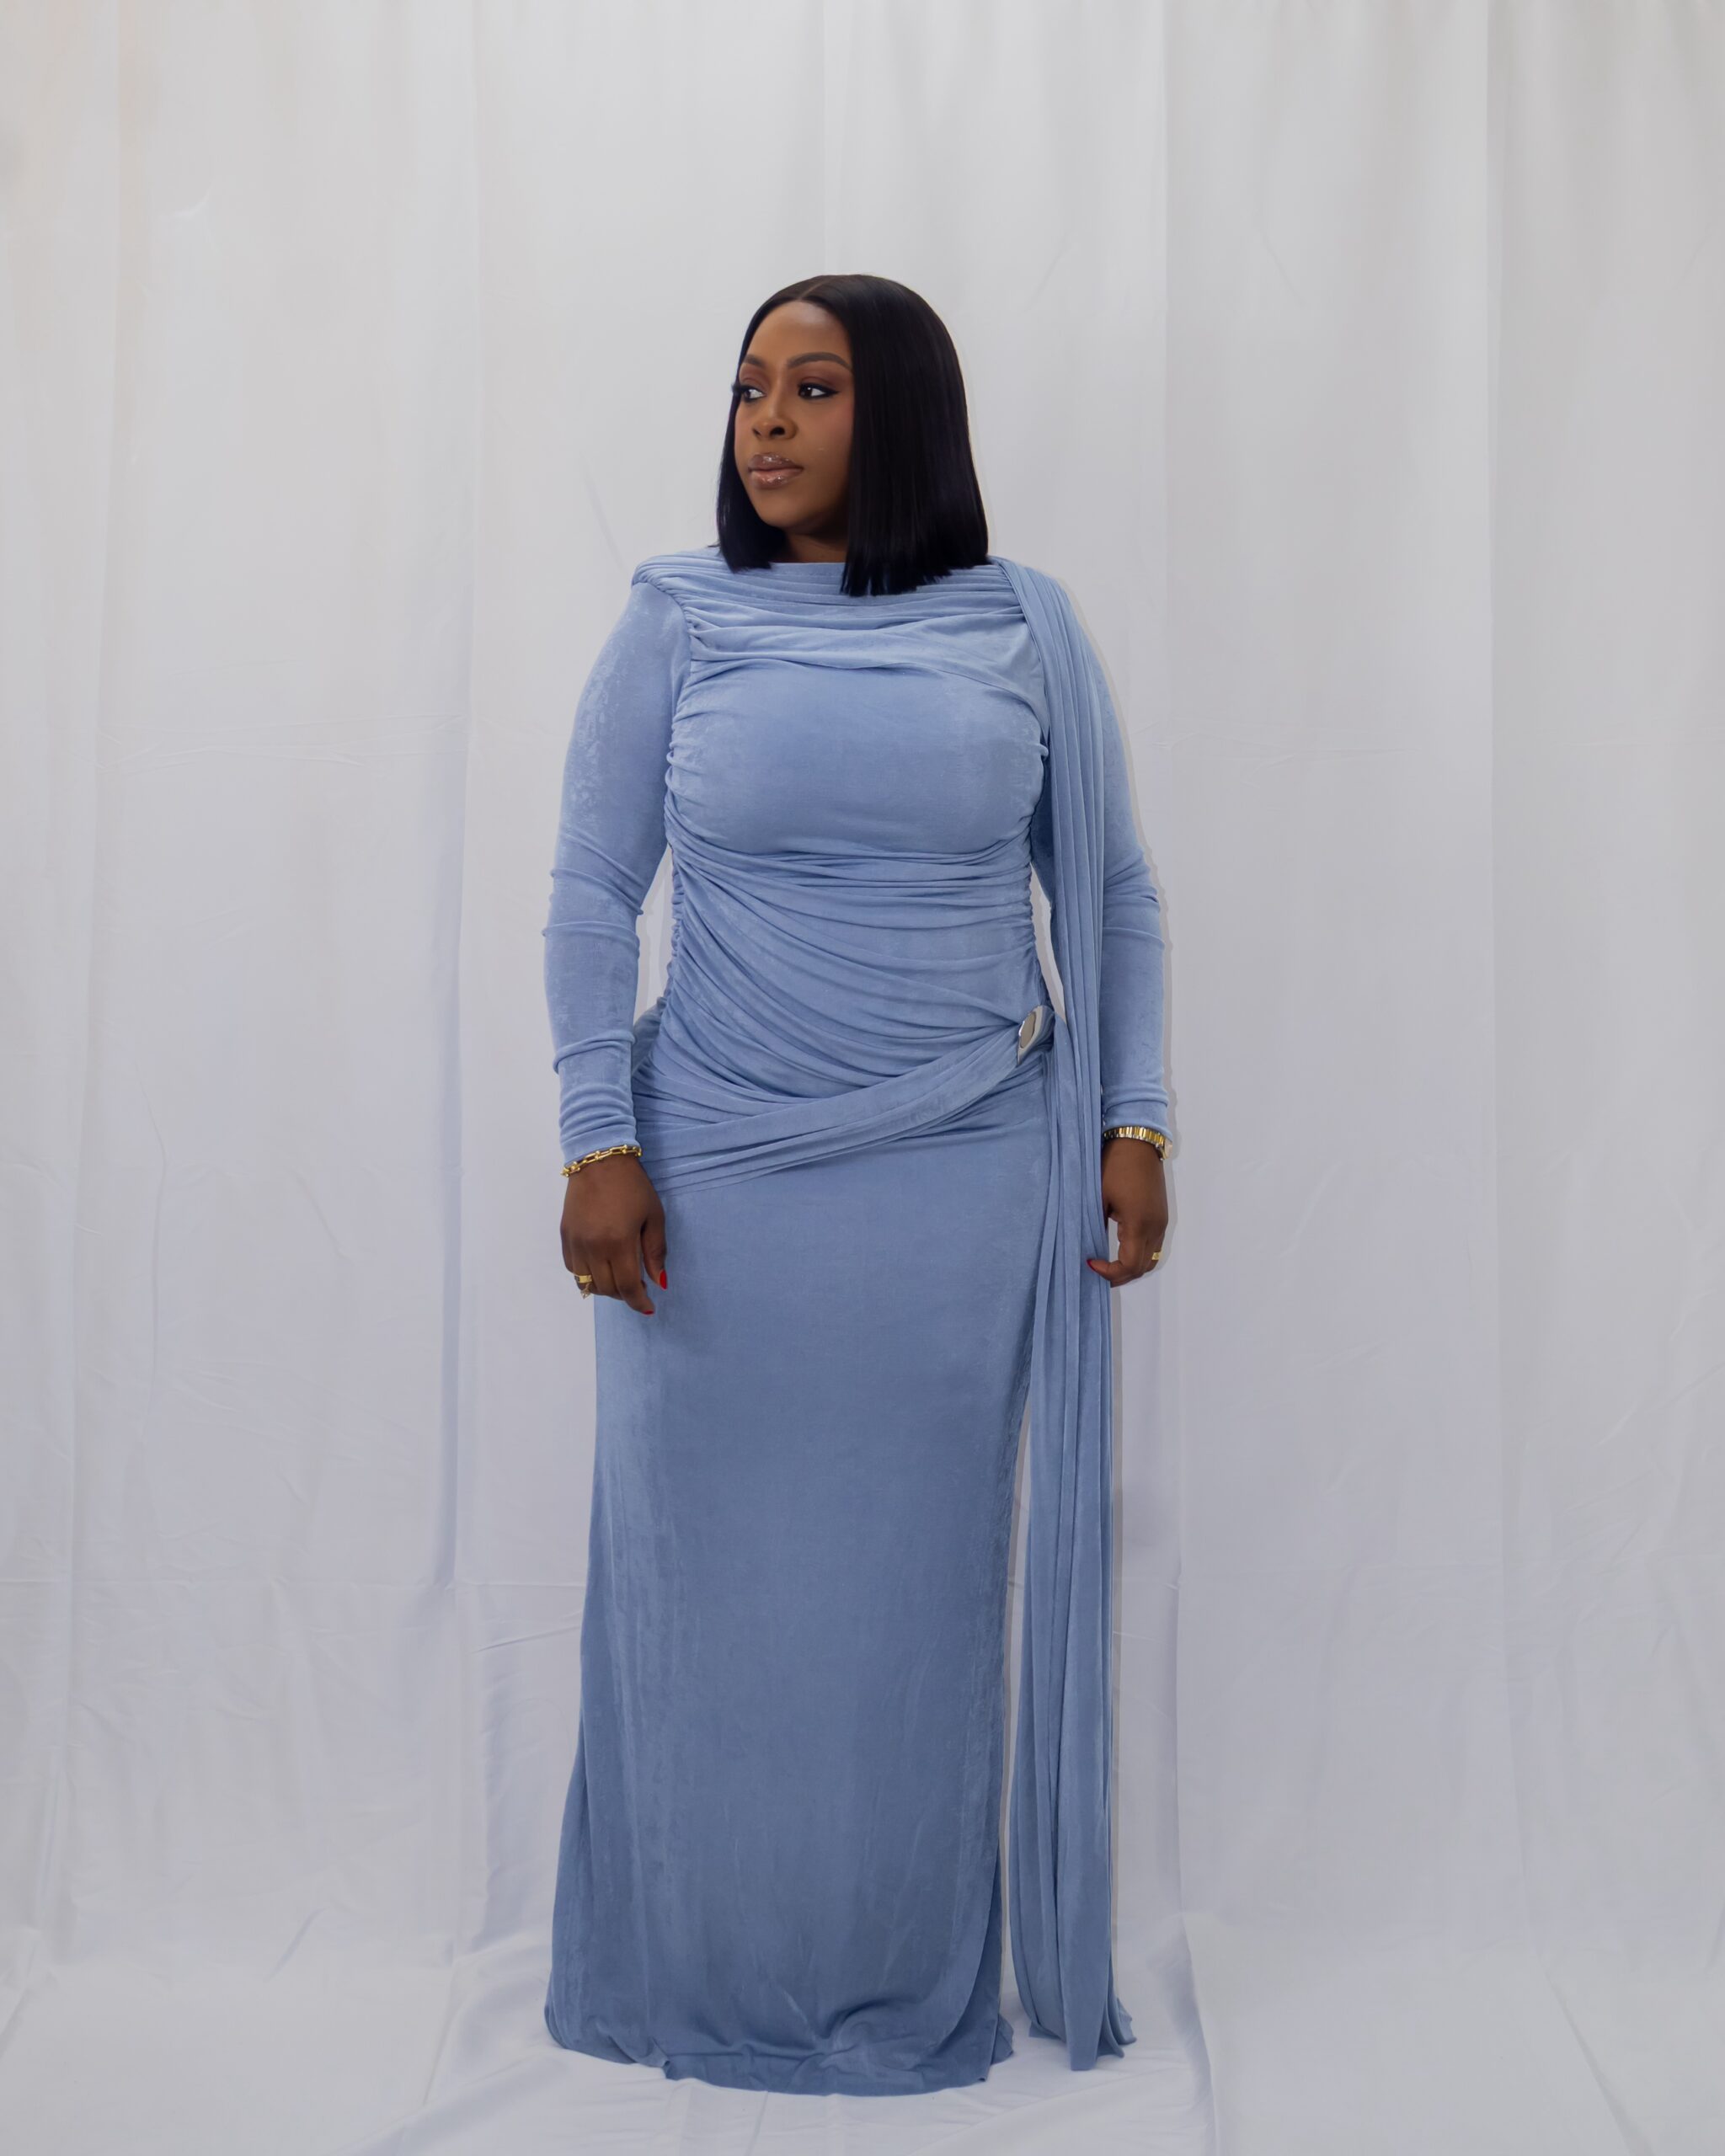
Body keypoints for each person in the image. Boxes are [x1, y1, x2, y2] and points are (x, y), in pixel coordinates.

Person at [541, 274, 1172, 2097]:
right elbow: (590, 890)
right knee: (709, 1602)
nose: (767, 418)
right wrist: (596, 1139)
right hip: (714, 1185)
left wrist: (1136, 1119)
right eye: (750, 385)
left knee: (914, 1606)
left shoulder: (1021, 625)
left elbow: (1107, 889)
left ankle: (905, 1978)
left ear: (901, 411)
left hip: (961, 1178)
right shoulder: (678, 618)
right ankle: (695, 1971)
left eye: (813, 386)